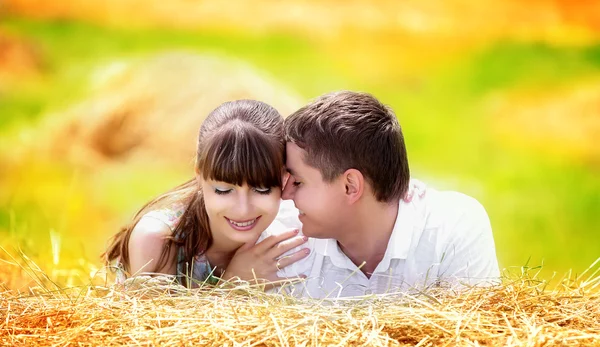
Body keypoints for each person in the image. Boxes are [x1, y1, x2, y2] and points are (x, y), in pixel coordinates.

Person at [276, 91, 500, 298]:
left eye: (298, 181)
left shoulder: (453, 230)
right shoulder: (280, 240)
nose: (285, 194)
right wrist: (241, 279)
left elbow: (478, 337)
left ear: (350, 186)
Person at [103, 99, 310, 288]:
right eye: (223, 190)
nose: (243, 209)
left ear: (284, 178)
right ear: (199, 176)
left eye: (262, 190)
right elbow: (158, 328)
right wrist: (233, 285)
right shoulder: (157, 240)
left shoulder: (293, 229)